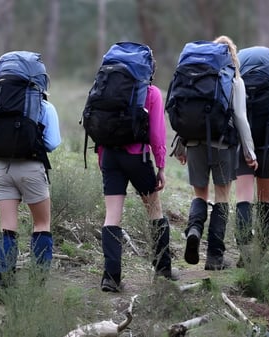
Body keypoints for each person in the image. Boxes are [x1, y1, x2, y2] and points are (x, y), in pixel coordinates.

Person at [176, 35, 258, 270]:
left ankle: (194, 229)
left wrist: (181, 146)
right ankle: (214, 257)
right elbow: (240, 118)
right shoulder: (233, 79)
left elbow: (185, 113)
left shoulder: (194, 77)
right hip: (222, 145)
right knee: (222, 197)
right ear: (232, 56)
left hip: (193, 142)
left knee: (199, 194)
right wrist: (249, 152)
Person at [96, 50, 176, 293]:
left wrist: (103, 159)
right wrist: (161, 166)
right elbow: (157, 135)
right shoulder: (150, 93)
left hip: (110, 154)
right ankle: (162, 271)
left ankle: (111, 278)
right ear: (148, 70)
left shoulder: (105, 87)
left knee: (112, 216)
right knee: (154, 210)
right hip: (137, 158)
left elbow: (98, 124)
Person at [0, 53, 62, 288]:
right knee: (41, 224)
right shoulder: (43, 105)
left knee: (7, 226)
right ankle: (37, 283)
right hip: (31, 167)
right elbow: (52, 142)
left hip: (1, 167)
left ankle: (4, 284)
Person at [235, 46, 269, 265]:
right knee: (265, 200)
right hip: (268, 150)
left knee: (243, 198)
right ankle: (261, 250)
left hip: (243, 151)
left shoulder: (237, 87)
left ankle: (244, 252)